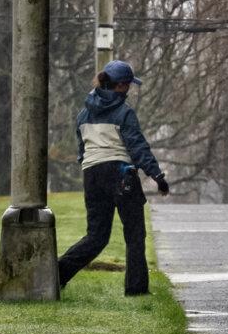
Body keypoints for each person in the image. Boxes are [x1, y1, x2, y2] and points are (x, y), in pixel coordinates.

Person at [58, 59, 169, 295]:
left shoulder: (83, 114)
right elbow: (138, 147)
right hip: (121, 174)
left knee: (96, 237)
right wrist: (157, 176)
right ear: (120, 86)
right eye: (128, 85)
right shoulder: (124, 112)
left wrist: (91, 167)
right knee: (134, 234)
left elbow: (82, 150)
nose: (129, 90)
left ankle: (57, 274)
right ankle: (136, 289)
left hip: (92, 175)